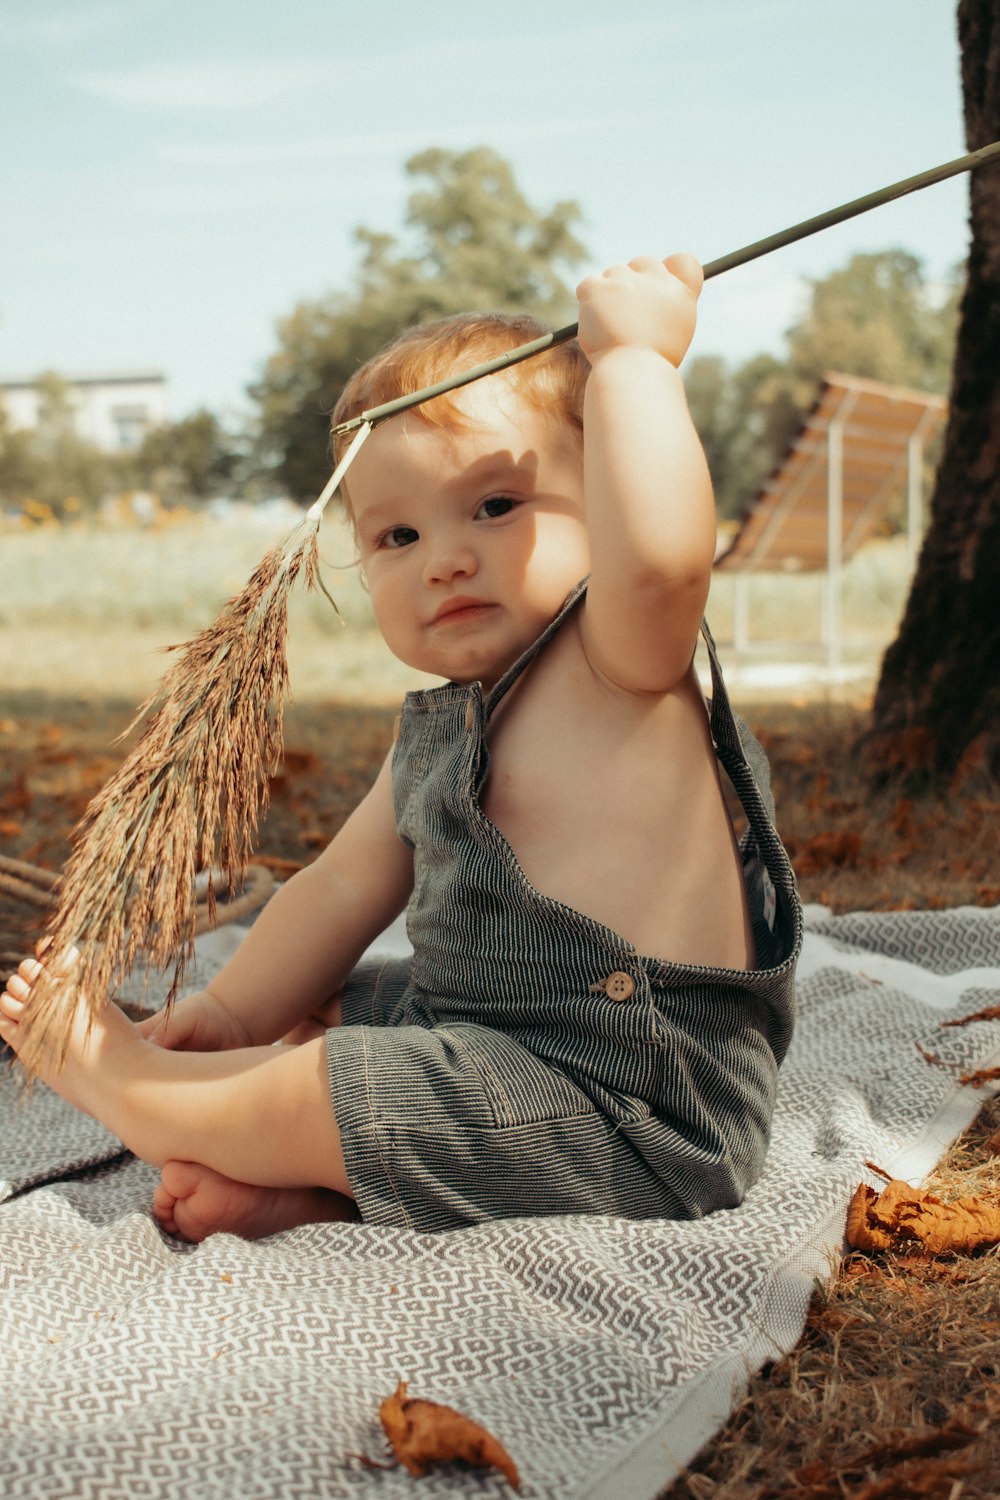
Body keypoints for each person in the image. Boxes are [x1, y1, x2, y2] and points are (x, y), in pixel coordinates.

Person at [0, 254, 801, 1243]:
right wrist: (236, 1015)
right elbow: (338, 889)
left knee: (346, 1083)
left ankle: (147, 1095)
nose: (446, 558)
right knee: (330, 1013)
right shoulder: (443, 725)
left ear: (600, 497)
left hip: (632, 1114)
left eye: (496, 507)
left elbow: (666, 559)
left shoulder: (620, 663)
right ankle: (320, 1190)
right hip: (486, 1060)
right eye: (397, 537)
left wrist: (635, 360)